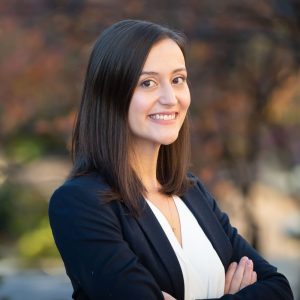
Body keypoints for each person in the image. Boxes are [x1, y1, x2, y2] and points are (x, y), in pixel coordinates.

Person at [48, 19, 293, 300]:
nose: (170, 98)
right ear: (110, 95)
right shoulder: (79, 204)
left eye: (178, 80)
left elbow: (278, 288)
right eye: (148, 83)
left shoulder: (192, 192)